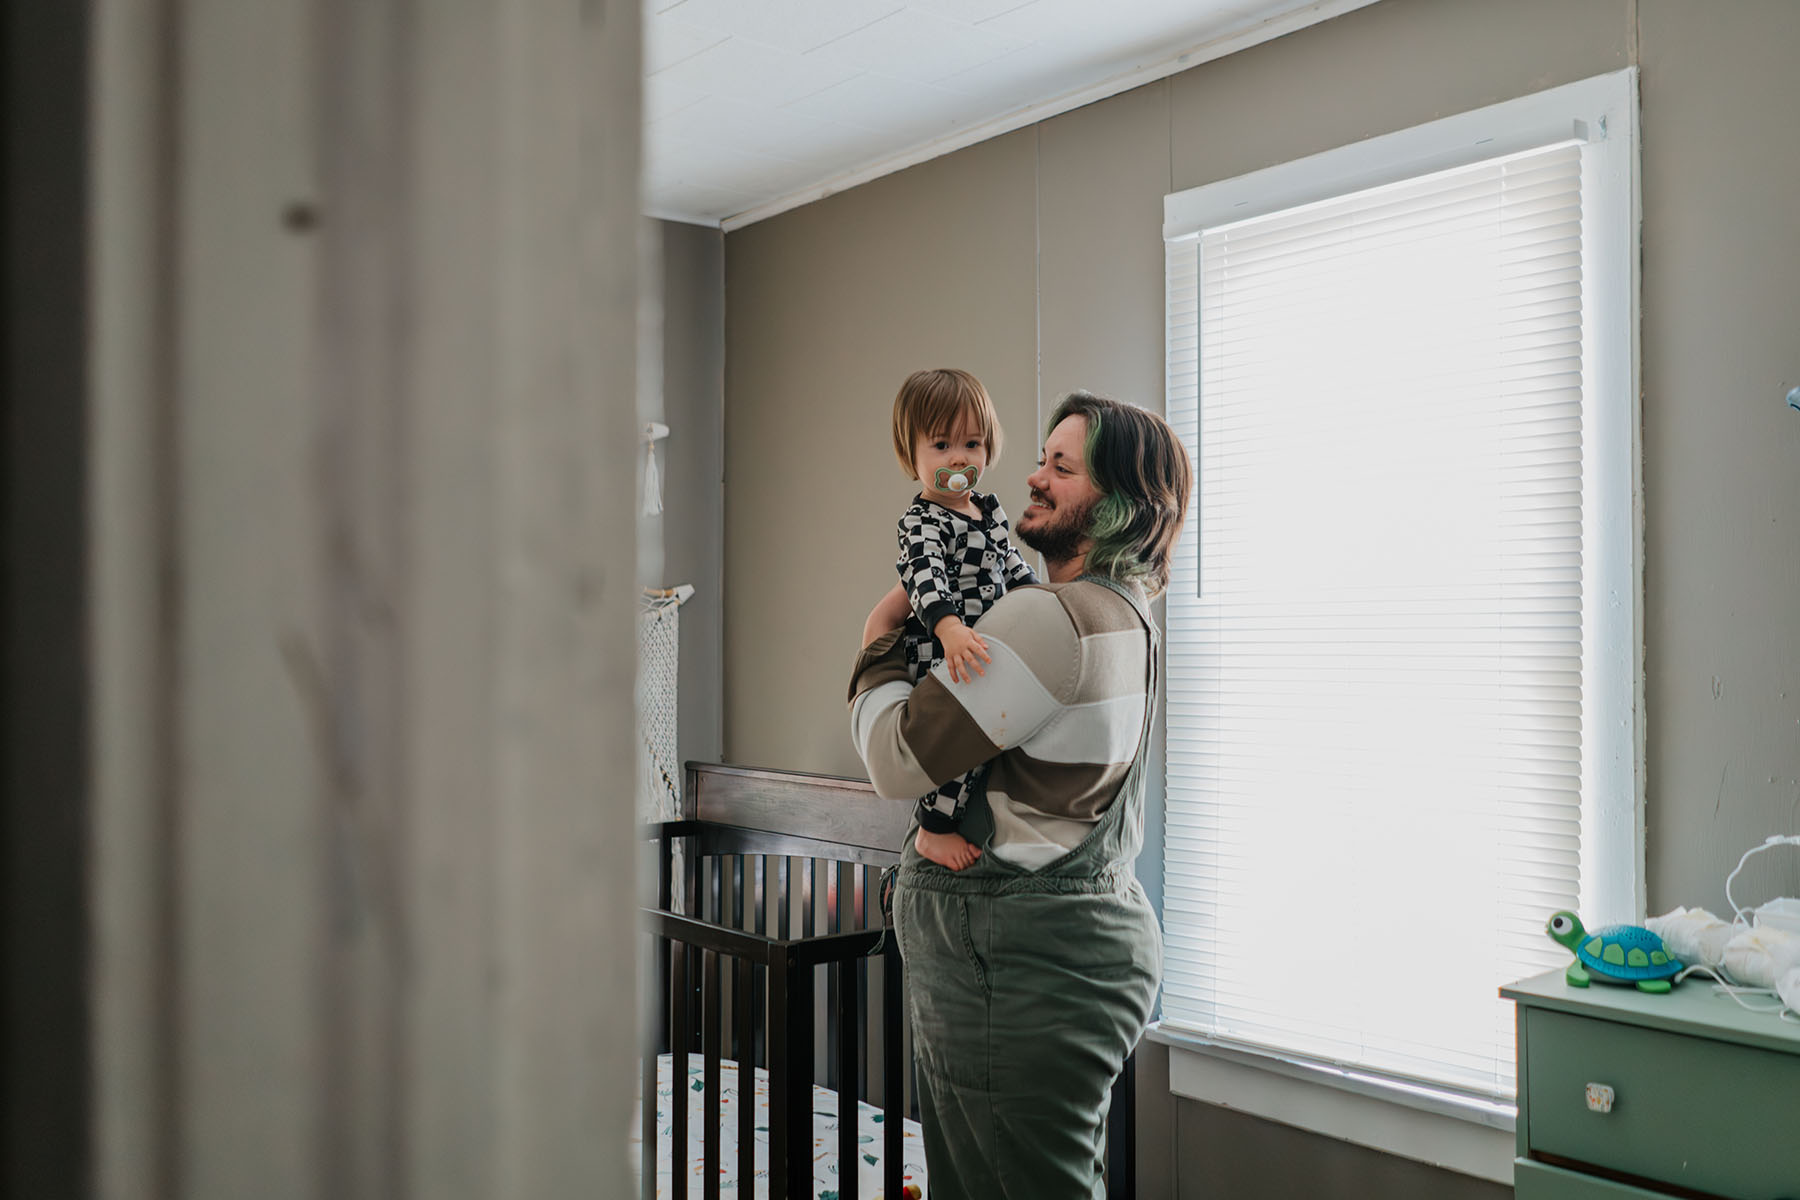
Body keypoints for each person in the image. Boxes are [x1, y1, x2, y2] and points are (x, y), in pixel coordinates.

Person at [849, 391, 1192, 1199]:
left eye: (1060, 468)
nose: (1032, 478)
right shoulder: (1128, 614)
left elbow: (896, 761)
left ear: (1113, 504)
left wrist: (876, 642)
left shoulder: (1048, 619)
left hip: (1015, 967)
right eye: (1039, 458)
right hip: (1087, 941)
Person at [878, 368, 1039, 872]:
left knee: (990, 742)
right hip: (942, 652)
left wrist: (1038, 598)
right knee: (955, 746)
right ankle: (932, 829)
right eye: (942, 445)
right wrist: (948, 628)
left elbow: (1011, 564)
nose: (958, 459)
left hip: (985, 651)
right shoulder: (922, 522)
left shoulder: (988, 513)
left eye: (972, 444)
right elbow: (925, 581)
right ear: (913, 455)